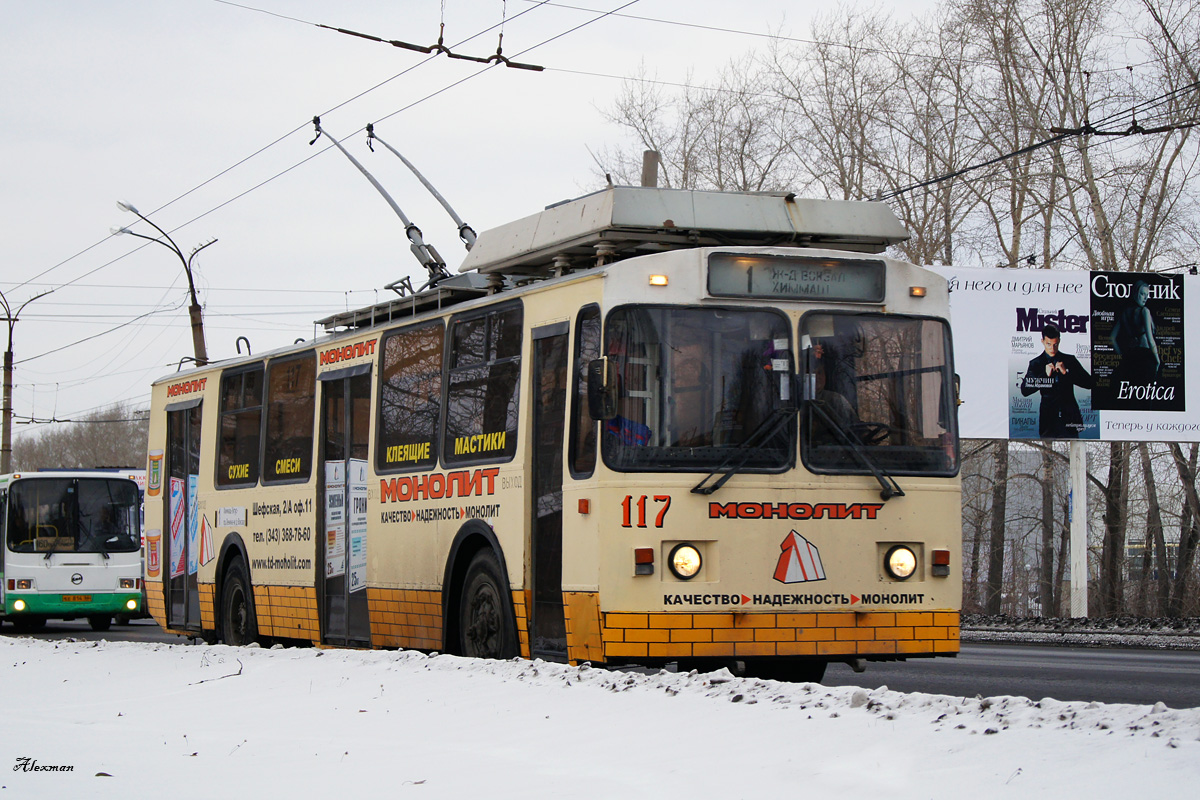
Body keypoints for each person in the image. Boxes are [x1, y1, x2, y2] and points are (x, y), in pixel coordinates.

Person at [1020, 324, 1093, 438]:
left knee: (1076, 452)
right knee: (1046, 454)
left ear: (1059, 341)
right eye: (1049, 344)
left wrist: (1066, 373)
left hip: (1070, 418)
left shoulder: (1070, 360)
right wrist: (1044, 375)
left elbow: (1089, 383)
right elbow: (1025, 390)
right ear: (1042, 341)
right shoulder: (1036, 363)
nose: (1052, 348)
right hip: (1048, 420)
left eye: (1055, 344)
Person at [1109, 279, 1160, 383]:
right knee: (1145, 392)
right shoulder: (1144, 311)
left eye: (1147, 294)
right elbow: (1150, 340)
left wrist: (1122, 355)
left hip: (1130, 357)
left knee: (1130, 391)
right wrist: (1157, 360)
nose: (1145, 297)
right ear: (1136, 293)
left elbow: (1111, 338)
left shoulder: (1125, 312)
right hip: (1145, 357)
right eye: (1142, 294)